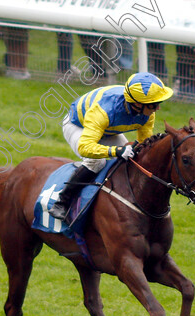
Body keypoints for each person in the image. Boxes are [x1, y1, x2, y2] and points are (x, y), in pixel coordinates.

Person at [49, 72, 174, 221]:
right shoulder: (104, 110)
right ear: (138, 104)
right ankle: (62, 201)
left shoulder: (147, 112)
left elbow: (144, 142)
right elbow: (85, 147)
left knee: (134, 159)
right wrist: (116, 150)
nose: (158, 108)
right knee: (96, 162)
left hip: (108, 129)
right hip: (78, 125)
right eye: (154, 104)